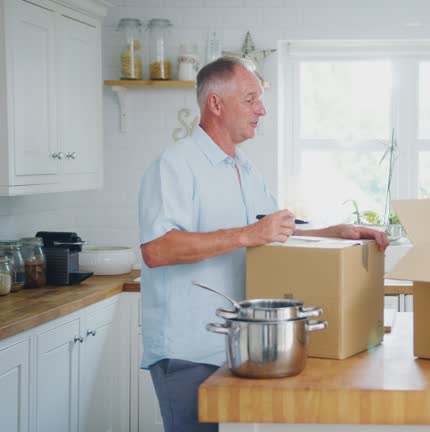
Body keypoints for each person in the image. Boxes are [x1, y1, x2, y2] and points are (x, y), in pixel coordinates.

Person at [138, 56, 388, 432]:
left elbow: (272, 230)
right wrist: (245, 235)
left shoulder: (244, 169)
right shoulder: (174, 165)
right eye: (251, 99)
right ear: (216, 104)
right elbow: (157, 249)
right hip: (187, 350)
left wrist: (335, 232)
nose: (262, 110)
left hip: (237, 347)